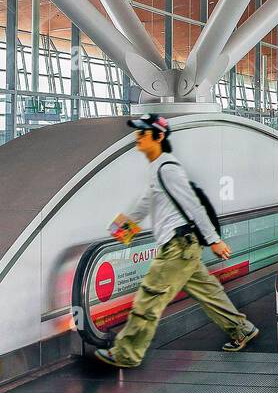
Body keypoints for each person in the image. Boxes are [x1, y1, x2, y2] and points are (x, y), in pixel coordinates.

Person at [94, 114, 259, 368]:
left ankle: (126, 353)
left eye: (143, 133)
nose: (138, 137)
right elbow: (144, 205)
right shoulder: (157, 168)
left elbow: (193, 205)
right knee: (209, 292)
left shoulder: (168, 168)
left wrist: (214, 240)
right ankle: (241, 329)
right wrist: (117, 232)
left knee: (149, 298)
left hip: (177, 248)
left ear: (158, 136)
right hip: (183, 249)